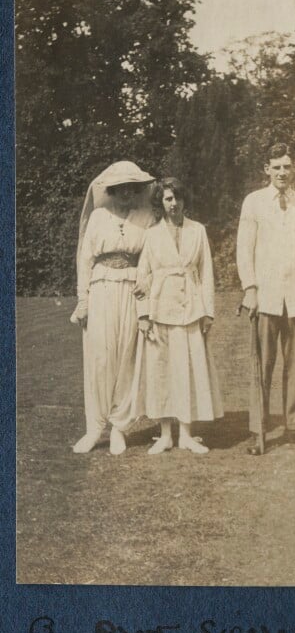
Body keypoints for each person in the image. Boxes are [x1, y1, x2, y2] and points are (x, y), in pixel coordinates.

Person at [236, 143, 295, 456]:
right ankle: (259, 432)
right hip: (266, 296)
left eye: (287, 166)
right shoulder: (254, 202)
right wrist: (250, 288)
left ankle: (294, 425)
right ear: (267, 169)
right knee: (262, 365)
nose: (282, 172)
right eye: (276, 167)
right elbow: (244, 248)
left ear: (293, 168)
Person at [133, 177, 223, 455]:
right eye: (168, 199)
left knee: (188, 370)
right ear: (161, 202)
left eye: (178, 198)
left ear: (185, 200)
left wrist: (208, 312)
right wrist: (143, 315)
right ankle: (164, 435)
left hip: (191, 309)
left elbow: (206, 273)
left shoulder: (198, 230)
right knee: (161, 371)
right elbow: (142, 275)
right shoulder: (152, 234)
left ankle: (186, 434)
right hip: (160, 308)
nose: (174, 203)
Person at [70, 160, 155, 455]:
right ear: (111, 191)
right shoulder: (97, 217)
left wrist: (145, 291)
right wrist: (83, 299)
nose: (126, 194)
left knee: (126, 356)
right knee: (100, 358)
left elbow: (149, 258)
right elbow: (85, 260)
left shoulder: (145, 216)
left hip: (132, 291)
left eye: (131, 189)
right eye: (120, 189)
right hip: (102, 288)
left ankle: (119, 427)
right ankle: (95, 428)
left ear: (136, 191)